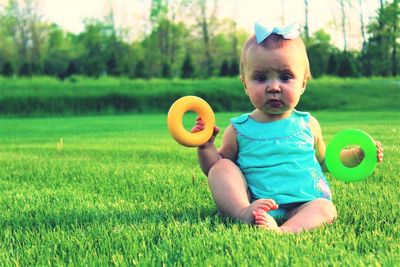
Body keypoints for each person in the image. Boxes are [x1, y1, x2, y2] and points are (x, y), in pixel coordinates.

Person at [191, 21, 384, 233]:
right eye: (261, 77)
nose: (274, 87)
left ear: (303, 84)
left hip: (304, 203)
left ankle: (285, 230)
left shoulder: (308, 124)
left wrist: (357, 155)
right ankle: (243, 213)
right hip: (258, 203)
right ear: (245, 84)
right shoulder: (239, 130)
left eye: (286, 77)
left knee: (326, 208)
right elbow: (215, 168)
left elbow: (325, 160)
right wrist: (205, 147)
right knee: (222, 168)